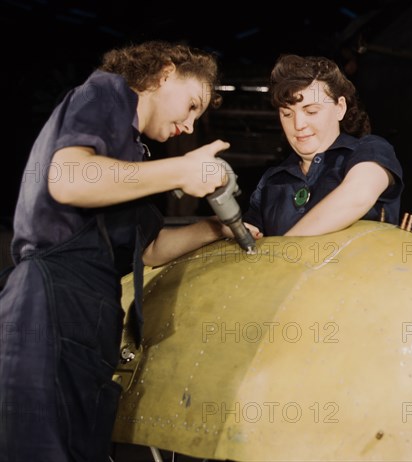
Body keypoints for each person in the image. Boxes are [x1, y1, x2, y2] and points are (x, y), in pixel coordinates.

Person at [0, 40, 260, 462]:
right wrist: (181, 169)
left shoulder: (131, 160)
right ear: (164, 73)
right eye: (192, 105)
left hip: (92, 317)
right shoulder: (106, 92)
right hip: (50, 303)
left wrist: (217, 228)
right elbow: (68, 179)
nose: (190, 126)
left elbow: (151, 250)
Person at [242, 54, 403, 236]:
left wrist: (283, 249)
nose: (298, 125)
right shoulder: (272, 181)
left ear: (340, 108)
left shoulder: (370, 150)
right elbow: (251, 241)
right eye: (287, 114)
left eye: (311, 111)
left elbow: (357, 196)